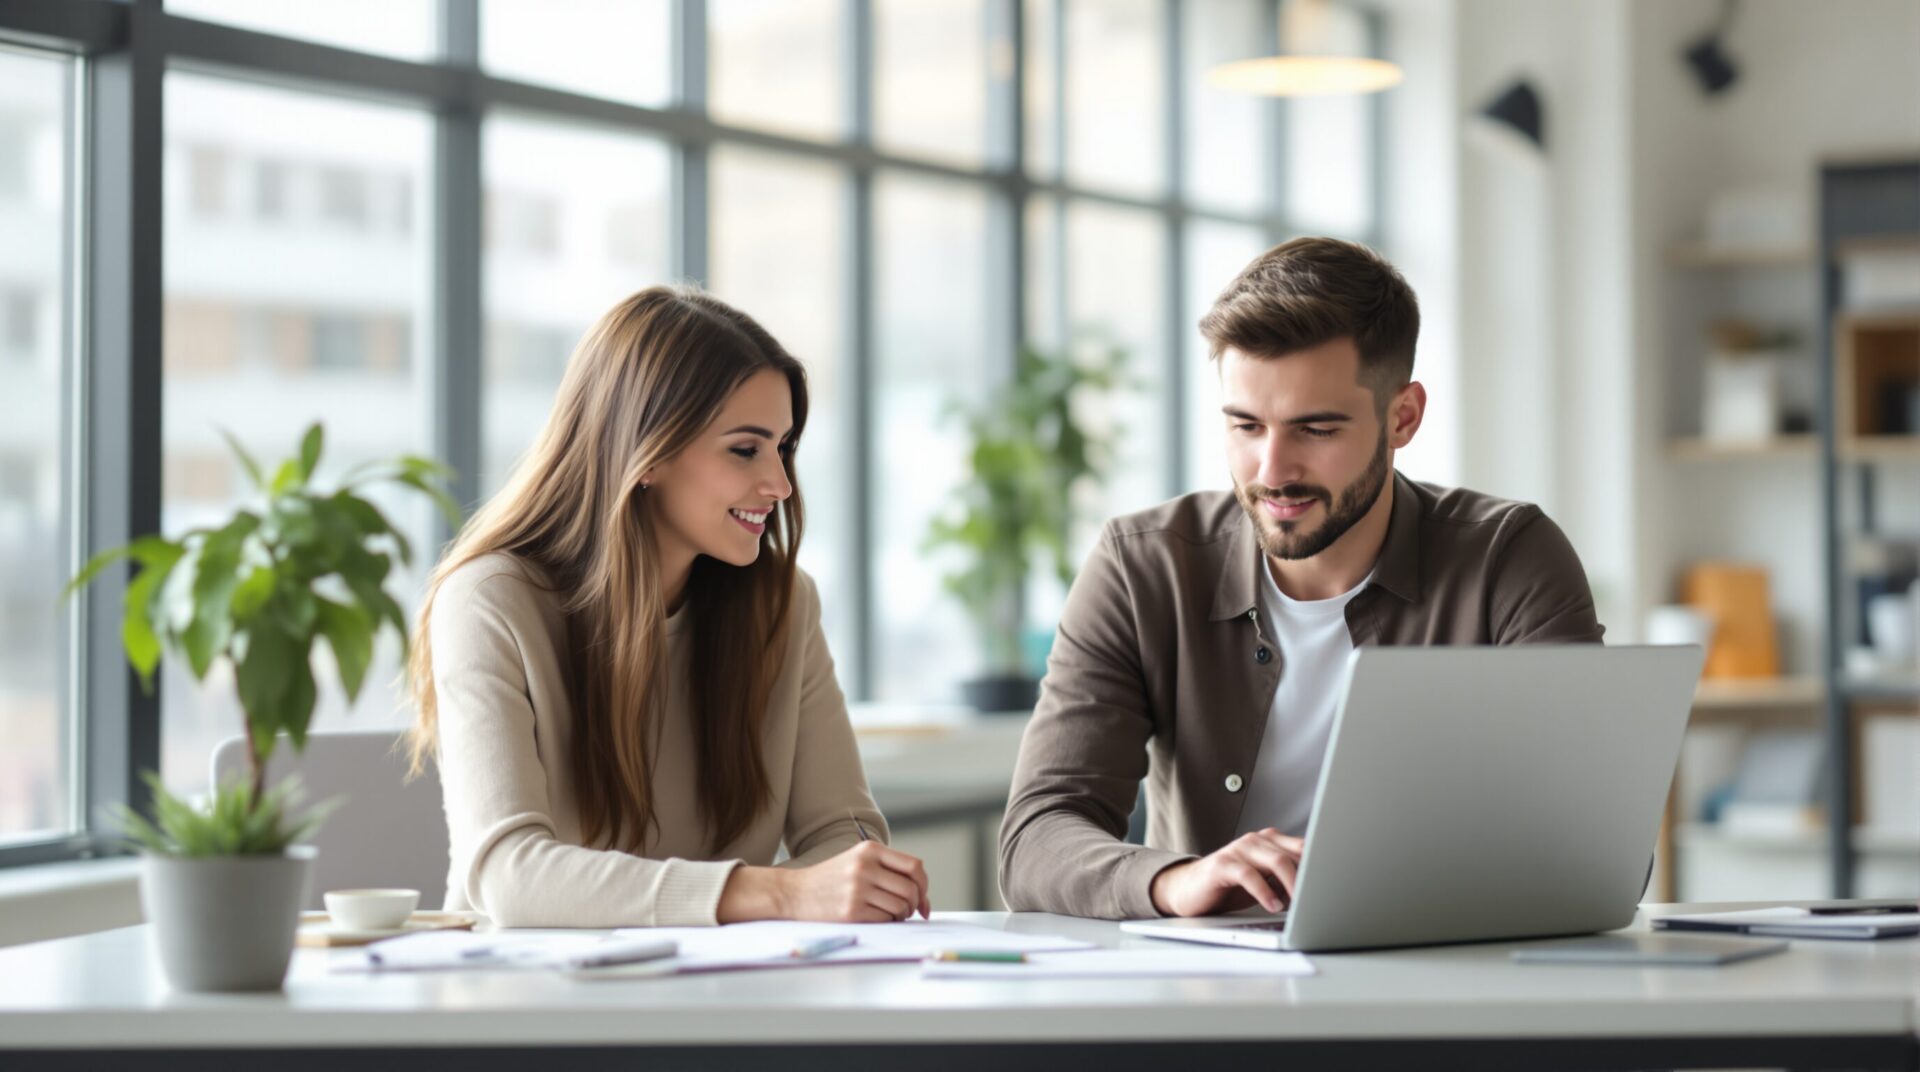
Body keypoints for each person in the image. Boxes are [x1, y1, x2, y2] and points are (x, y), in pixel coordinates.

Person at [998, 237, 1604, 920]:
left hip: (1442, 975)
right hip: (1212, 993)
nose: (1272, 469)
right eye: (1246, 426)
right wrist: (1179, 881)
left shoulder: (1508, 560)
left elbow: (1594, 844)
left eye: (1315, 429)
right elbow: (1036, 839)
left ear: (1402, 417)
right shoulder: (1143, 567)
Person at [406, 285, 930, 928]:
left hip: (721, 1004)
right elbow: (511, 878)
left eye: (784, 447)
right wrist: (782, 894)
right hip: (531, 1007)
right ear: (645, 453)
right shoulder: (490, 604)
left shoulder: (784, 608)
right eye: (746, 449)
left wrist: (831, 880)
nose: (780, 484)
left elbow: (845, 845)